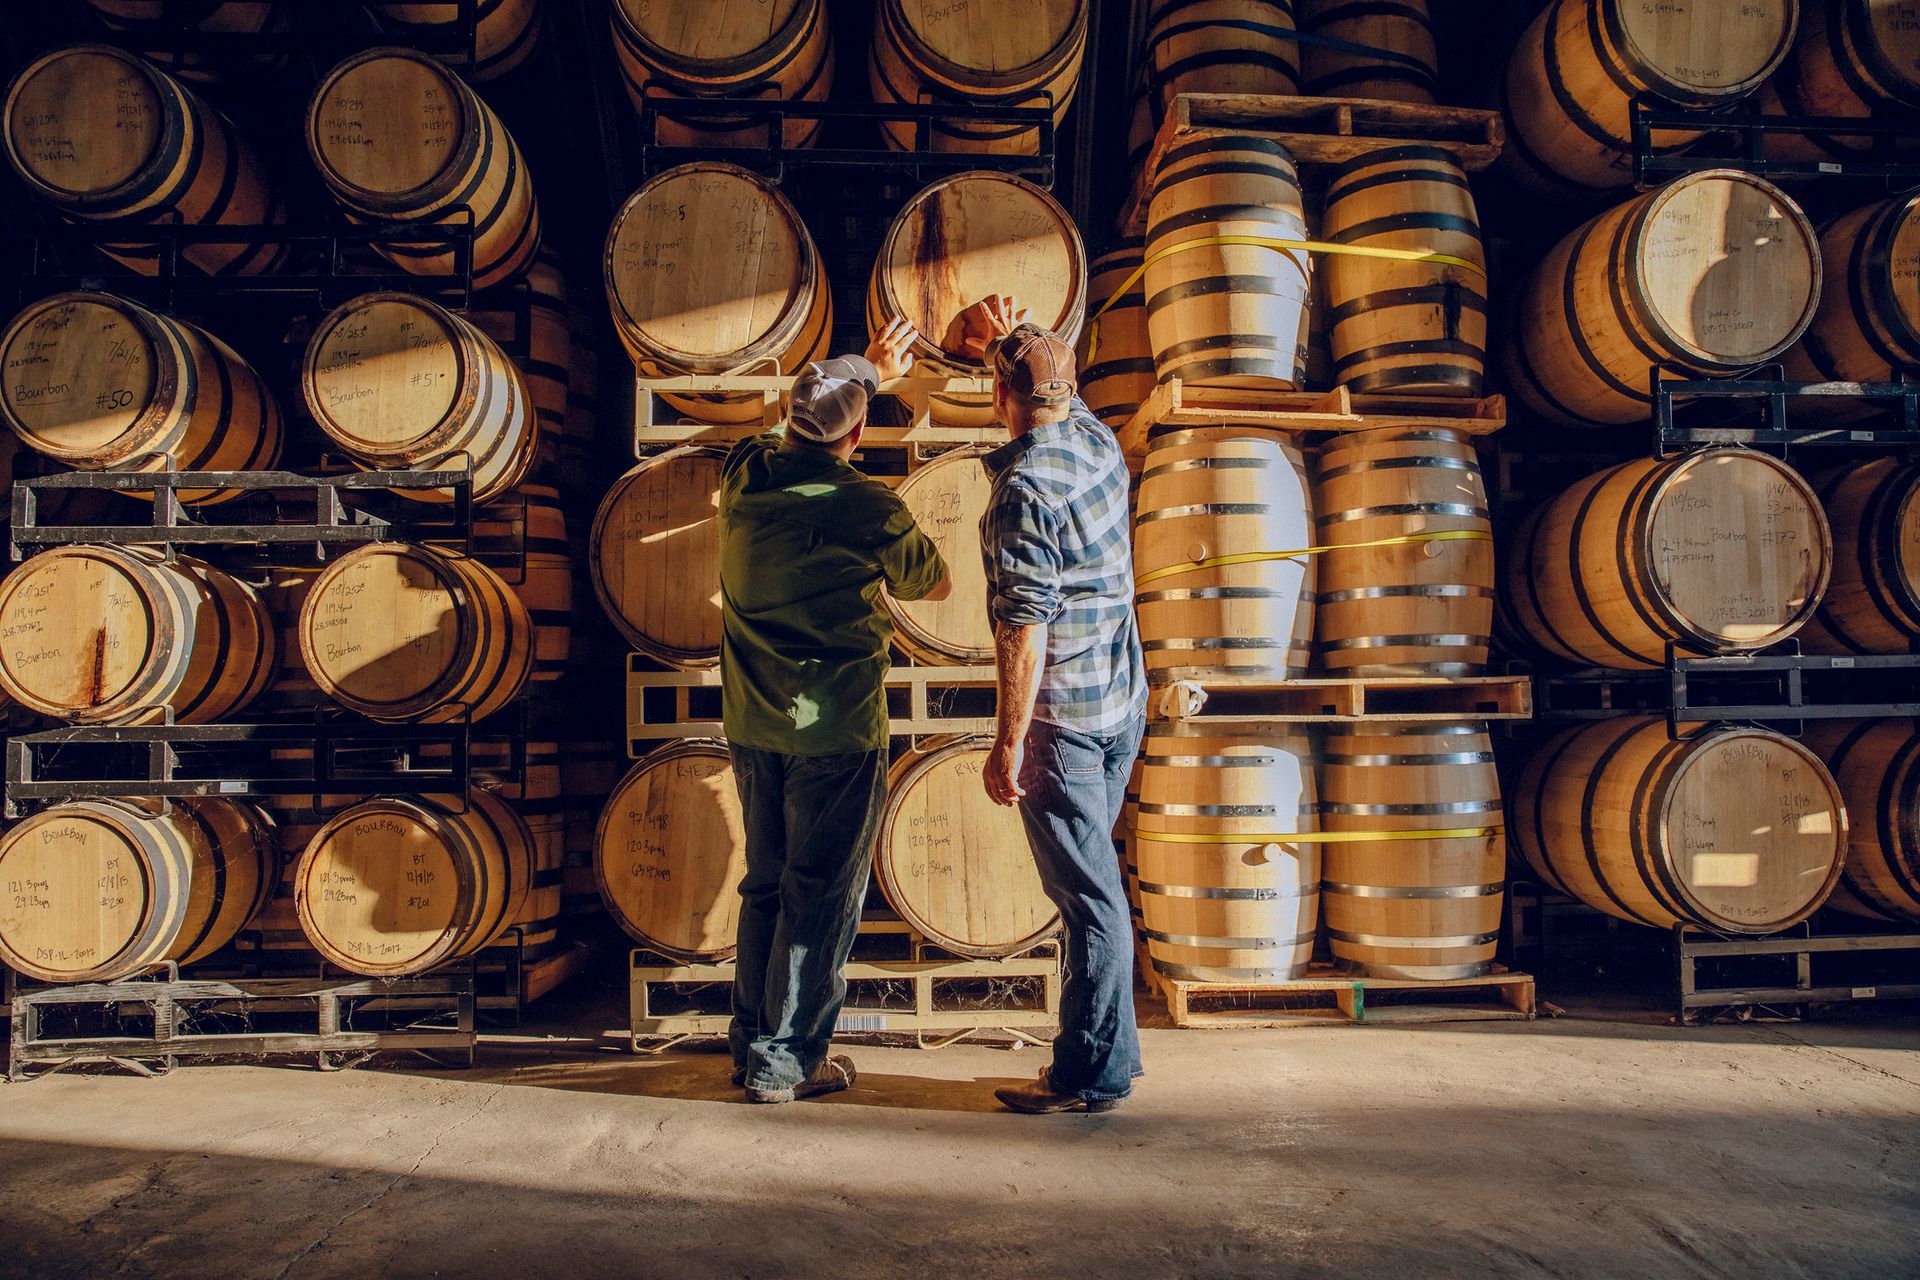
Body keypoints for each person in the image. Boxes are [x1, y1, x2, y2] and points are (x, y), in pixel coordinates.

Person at [717, 318, 952, 1104]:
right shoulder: (870, 507)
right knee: (818, 896)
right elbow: (933, 585)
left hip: (752, 723)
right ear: (857, 433)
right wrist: (876, 378)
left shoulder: (745, 475)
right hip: (836, 730)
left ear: (791, 419)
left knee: (766, 884)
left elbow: (773, 429)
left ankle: (751, 1043)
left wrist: (862, 372)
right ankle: (787, 1063)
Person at [968, 297, 1149, 1114]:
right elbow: (1045, 382)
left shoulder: (1022, 494)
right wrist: (1018, 333)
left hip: (1063, 727)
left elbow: (1023, 634)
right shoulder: (1098, 440)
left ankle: (1092, 1075)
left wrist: (1008, 744)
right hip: (1120, 705)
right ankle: (1088, 1056)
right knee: (1091, 894)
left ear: (999, 399)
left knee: (1092, 900)